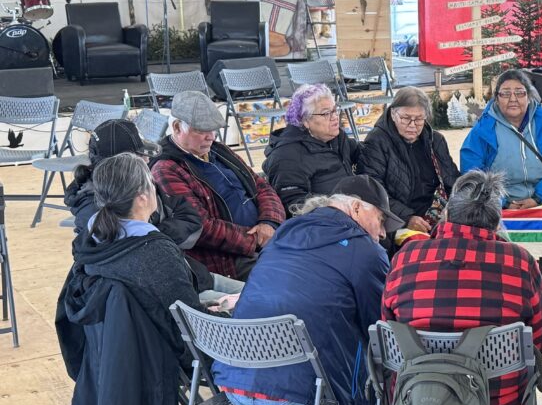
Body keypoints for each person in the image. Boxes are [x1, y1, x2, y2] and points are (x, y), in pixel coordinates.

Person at [212, 175, 399, 405]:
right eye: (381, 220)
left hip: (232, 387)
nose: (382, 233)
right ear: (357, 208)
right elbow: (381, 327)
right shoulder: (365, 251)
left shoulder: (282, 235)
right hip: (292, 400)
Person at [382, 170, 542, 405]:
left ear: (447, 215)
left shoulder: (406, 257)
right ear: (497, 224)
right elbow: (540, 342)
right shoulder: (520, 262)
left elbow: (389, 330)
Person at [57, 153, 203, 405]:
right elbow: (191, 328)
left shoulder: (89, 246)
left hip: (105, 372)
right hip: (154, 371)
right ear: (141, 198)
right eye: (151, 184)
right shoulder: (154, 252)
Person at [64, 119, 243, 308]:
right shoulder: (153, 249)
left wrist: (153, 232)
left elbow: (190, 216)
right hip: (181, 288)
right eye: (141, 155)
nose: (149, 160)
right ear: (122, 163)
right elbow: (182, 312)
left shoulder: (132, 195)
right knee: (262, 303)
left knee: (259, 294)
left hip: (193, 275)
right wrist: (155, 237)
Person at [461, 69, 542, 323]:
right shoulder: (485, 126)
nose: (513, 99)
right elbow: (472, 167)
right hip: (500, 194)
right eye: (505, 94)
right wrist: (501, 200)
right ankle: (501, 290)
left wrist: (539, 196)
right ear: (496, 98)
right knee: (488, 220)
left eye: (520, 93)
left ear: (529, 96)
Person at [151, 91, 286, 280]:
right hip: (229, 259)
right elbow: (201, 227)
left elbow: (262, 187)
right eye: (201, 130)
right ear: (176, 127)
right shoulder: (166, 168)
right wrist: (256, 240)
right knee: (291, 275)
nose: (211, 137)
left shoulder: (220, 151)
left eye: (213, 129)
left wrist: (270, 223)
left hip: (264, 239)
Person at [360, 86, 459, 239]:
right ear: (393, 114)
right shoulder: (377, 141)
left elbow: (452, 180)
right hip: (396, 220)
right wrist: (407, 218)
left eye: (419, 119)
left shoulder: (435, 140)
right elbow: (374, 191)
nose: (412, 125)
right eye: (406, 118)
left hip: (436, 213)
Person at [262, 83, 360, 213]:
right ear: (305, 120)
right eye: (326, 113)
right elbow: (294, 206)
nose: (335, 117)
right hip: (326, 223)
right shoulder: (287, 156)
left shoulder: (335, 138)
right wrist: (339, 210)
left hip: (352, 211)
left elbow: (365, 153)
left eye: (335, 110)